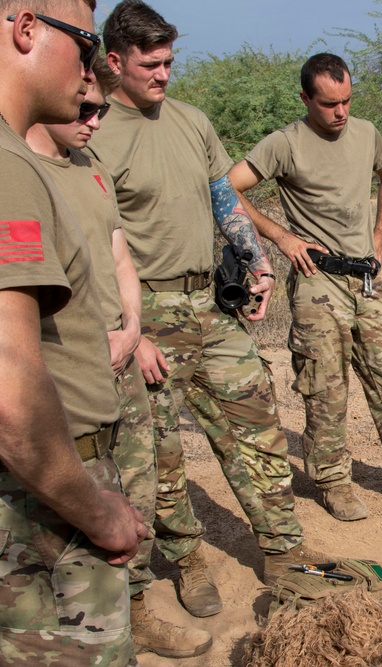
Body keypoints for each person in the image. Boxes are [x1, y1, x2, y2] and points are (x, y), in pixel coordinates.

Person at [87, 0, 328, 619]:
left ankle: (283, 552)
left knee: (256, 418)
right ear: (115, 62)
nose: (165, 74)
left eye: (170, 61)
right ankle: (187, 560)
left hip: (208, 302)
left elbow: (223, 194)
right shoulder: (91, 133)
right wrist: (129, 331)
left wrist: (255, 258)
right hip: (146, 309)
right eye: (152, 64)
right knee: (162, 452)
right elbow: (92, 244)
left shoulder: (191, 120)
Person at [229, 53, 382, 522]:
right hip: (318, 282)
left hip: (365, 278)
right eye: (329, 104)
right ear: (305, 98)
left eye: (346, 101)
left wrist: (379, 236)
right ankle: (333, 483)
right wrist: (280, 236)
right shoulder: (284, 143)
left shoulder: (365, 133)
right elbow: (226, 187)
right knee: (325, 387)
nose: (340, 112)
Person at [25, 59, 212, 659]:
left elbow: (119, 256)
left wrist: (132, 329)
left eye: (100, 110)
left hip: (121, 358)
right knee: (68, 508)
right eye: (84, 110)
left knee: (138, 489)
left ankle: (133, 613)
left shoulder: (92, 169)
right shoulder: (23, 177)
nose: (94, 121)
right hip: (61, 373)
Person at [0, 1, 147, 664]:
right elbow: (11, 400)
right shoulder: (10, 169)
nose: (91, 71)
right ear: (27, 29)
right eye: (85, 43)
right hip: (42, 501)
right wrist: (98, 510)